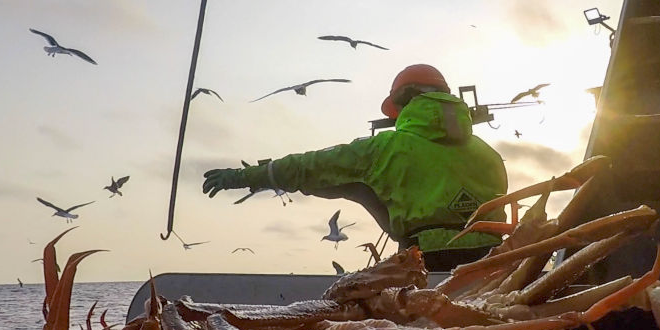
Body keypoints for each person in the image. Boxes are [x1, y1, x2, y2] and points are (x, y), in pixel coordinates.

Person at [202, 64, 508, 270]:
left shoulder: (385, 147)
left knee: (352, 182)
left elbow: (313, 166)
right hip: (497, 266)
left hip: (427, 263)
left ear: (403, 102)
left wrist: (250, 176)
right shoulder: (489, 154)